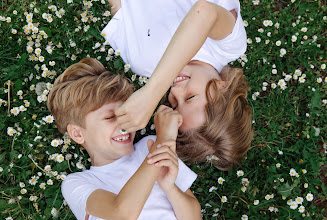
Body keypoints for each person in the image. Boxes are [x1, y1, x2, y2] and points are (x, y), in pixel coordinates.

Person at [101, 0, 254, 170]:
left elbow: (118, 9)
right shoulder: (227, 47)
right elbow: (204, 12)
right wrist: (151, 94)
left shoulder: (144, 65)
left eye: (174, 104)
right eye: (190, 97)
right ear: (221, 88)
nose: (175, 90)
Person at [47, 58, 201, 220]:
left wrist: (170, 188)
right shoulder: (77, 183)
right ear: (78, 134)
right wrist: (163, 141)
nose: (123, 125)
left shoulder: (149, 145)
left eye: (125, 114)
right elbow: (121, 213)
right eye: (109, 117)